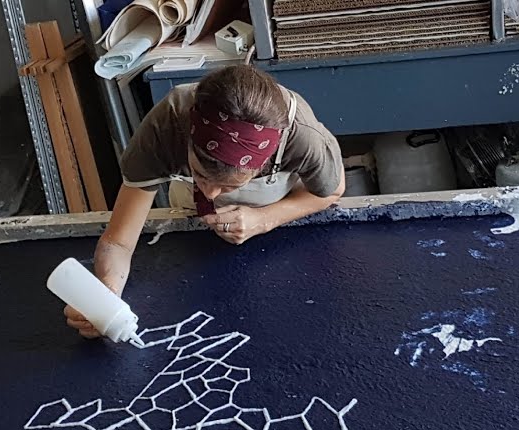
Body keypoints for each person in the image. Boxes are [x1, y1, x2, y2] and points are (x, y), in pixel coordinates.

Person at [66, 64, 344, 339]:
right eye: (200, 174)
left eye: (230, 185)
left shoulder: (304, 137)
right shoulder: (167, 124)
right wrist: (106, 295)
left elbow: (332, 191)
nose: (212, 194)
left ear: (262, 166)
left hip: (274, 217)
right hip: (187, 212)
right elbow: (118, 241)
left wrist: (264, 219)